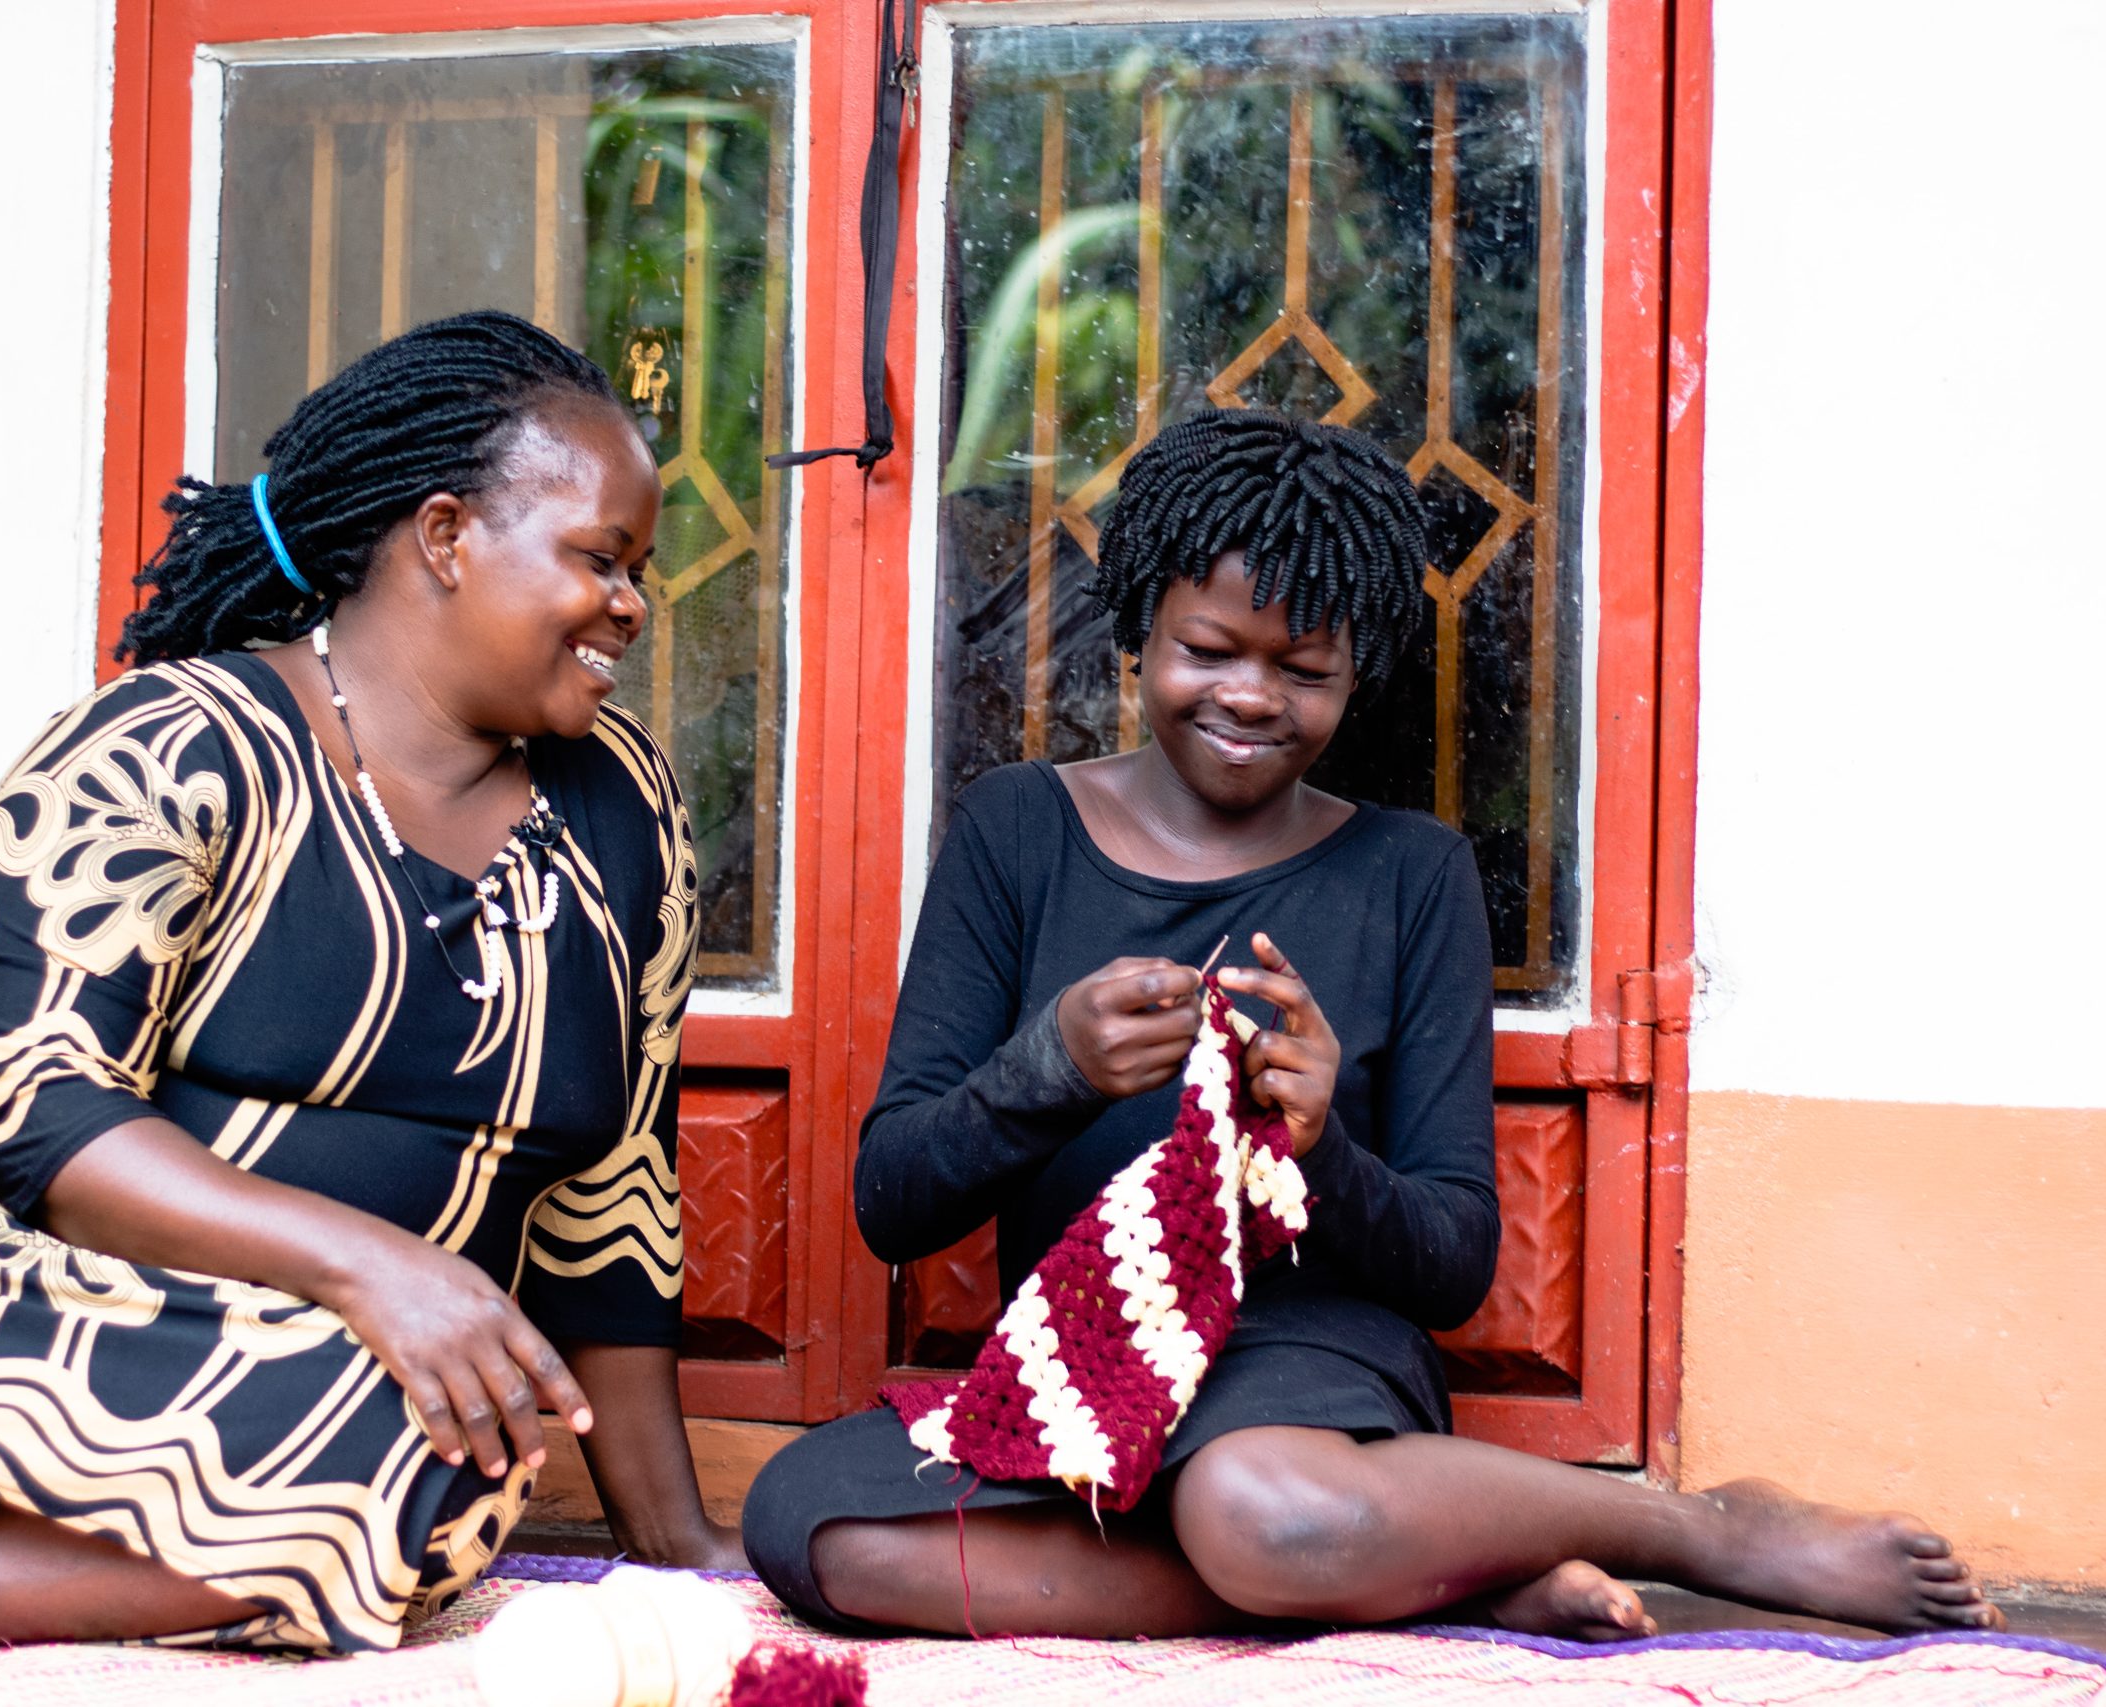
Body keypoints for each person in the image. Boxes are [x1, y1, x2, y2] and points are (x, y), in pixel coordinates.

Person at [0, 311, 739, 1670]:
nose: (632, 605)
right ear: (449, 534)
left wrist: (677, 1538)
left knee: (428, 1453)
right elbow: (35, 1116)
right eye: (600, 559)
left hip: (283, 1357)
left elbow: (614, 1194)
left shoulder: (626, 808)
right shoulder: (166, 748)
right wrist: (378, 1263)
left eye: (637, 567)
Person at [741, 409, 2003, 1642]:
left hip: (1309, 1367)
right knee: (814, 1527)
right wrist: (1049, 1068)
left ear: (1359, 674)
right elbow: (892, 1200)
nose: (1249, 696)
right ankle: (1440, 1572)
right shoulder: (1017, 832)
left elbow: (1451, 1265)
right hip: (1093, 1363)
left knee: (1256, 1505)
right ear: (1137, 630)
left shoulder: (1411, 874)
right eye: (1209, 649)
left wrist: (1319, 1146)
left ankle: (1710, 1532)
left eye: (1303, 671)